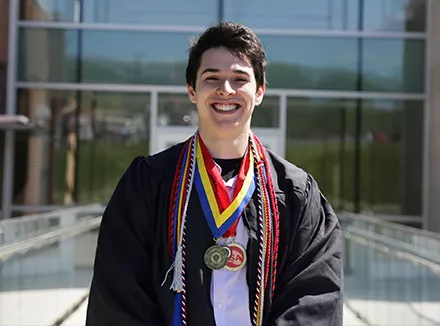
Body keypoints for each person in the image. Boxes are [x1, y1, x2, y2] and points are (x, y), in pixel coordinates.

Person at [86, 22, 343, 326]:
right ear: (192, 90)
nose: (226, 89)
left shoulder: (295, 192)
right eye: (212, 78)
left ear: (259, 92)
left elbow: (315, 296)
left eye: (239, 79)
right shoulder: (148, 183)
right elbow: (119, 292)